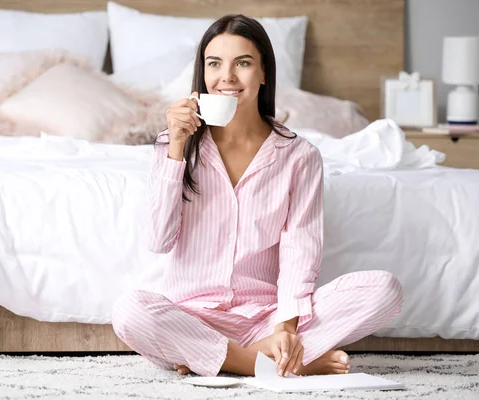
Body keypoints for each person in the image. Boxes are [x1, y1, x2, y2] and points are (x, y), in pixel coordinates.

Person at [111, 14, 403, 378]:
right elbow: (157, 239)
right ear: (202, 73)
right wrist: (176, 149)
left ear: (264, 73)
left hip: (266, 320)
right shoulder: (174, 145)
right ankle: (266, 363)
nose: (227, 77)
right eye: (214, 64)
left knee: (384, 289)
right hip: (193, 320)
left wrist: (285, 329)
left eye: (243, 63)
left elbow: (300, 249)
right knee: (130, 311)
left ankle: (225, 358)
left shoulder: (299, 156)